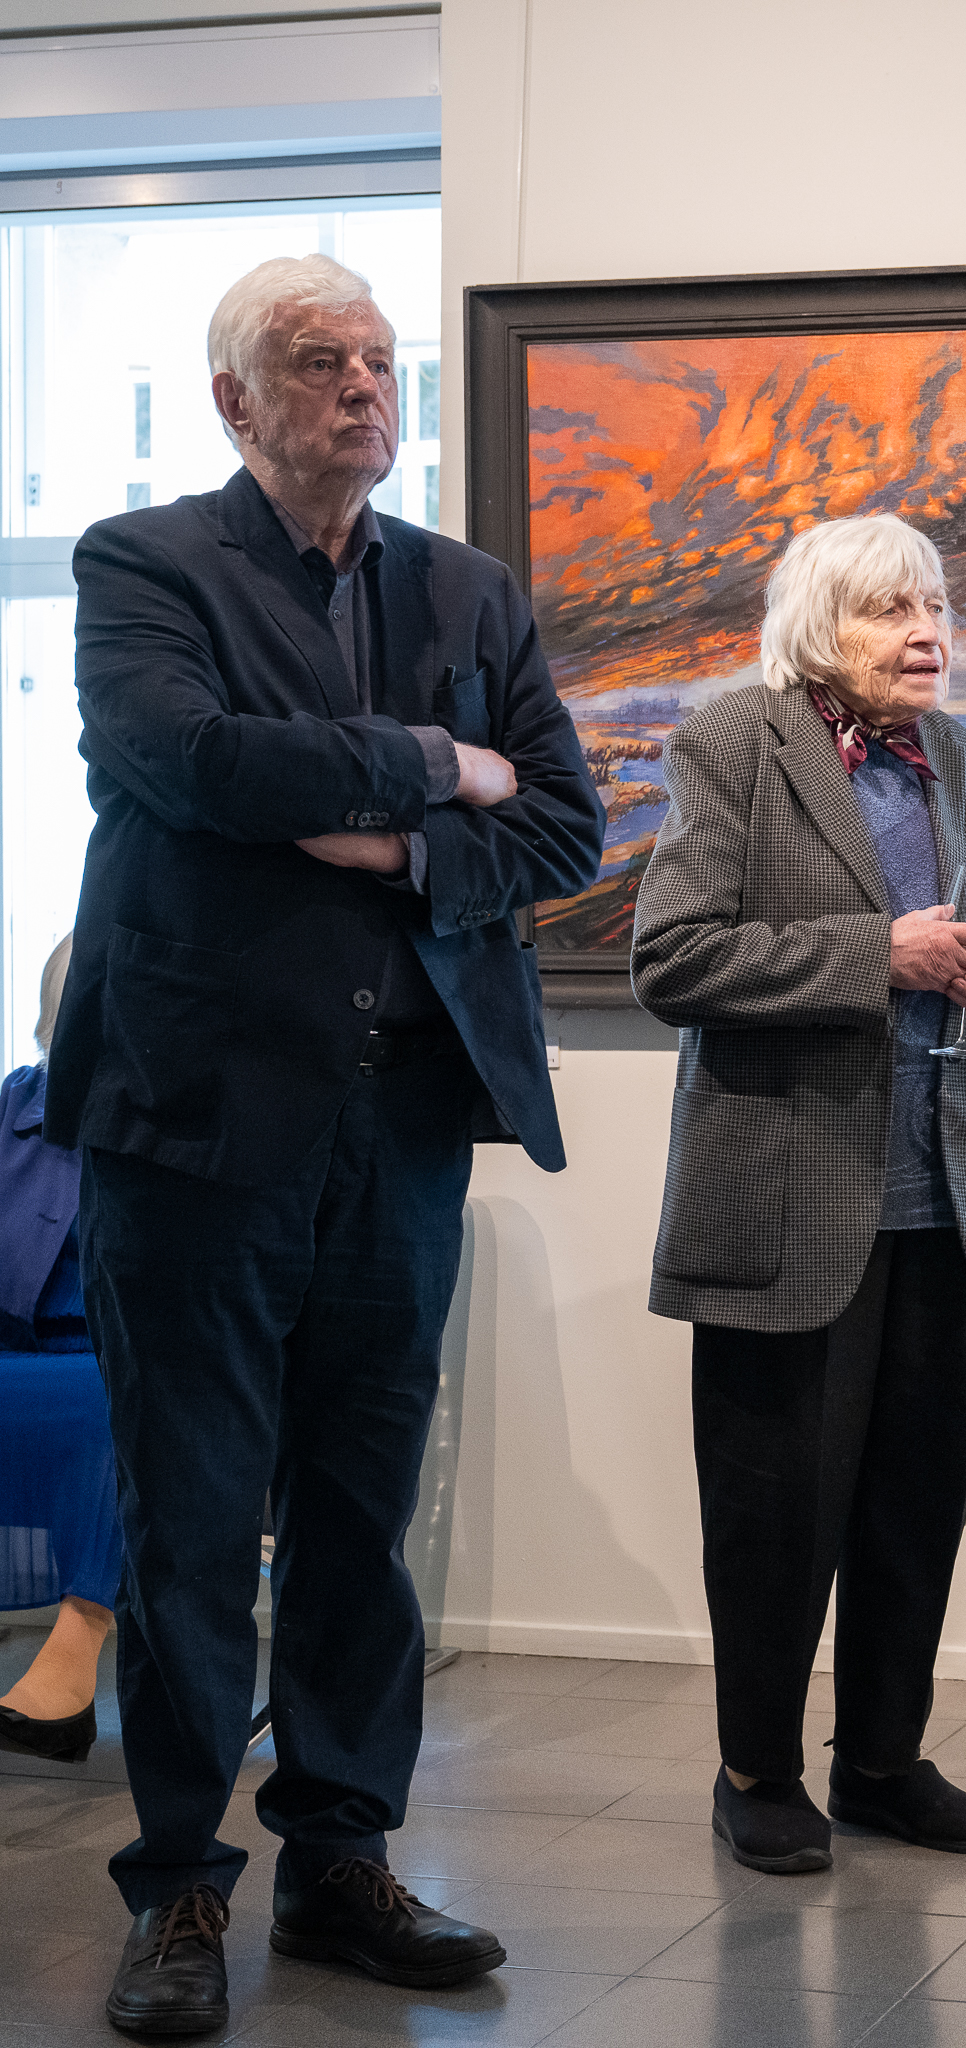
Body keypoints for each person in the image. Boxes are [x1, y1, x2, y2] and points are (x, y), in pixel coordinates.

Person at [46, 254, 607, 2037]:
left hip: (405, 1125)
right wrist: (442, 761)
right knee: (194, 1521)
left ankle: (342, 1856)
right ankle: (177, 1886)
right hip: (194, 1125)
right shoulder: (145, 565)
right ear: (235, 398)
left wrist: (388, 835)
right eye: (318, 361)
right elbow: (193, 762)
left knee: (363, 1520)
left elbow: (568, 826)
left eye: (379, 359)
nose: (364, 387)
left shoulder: (469, 586)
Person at [630, 513, 966, 1875]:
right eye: (891, 609)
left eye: (935, 604)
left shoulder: (959, 758)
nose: (927, 631)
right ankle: (755, 1771)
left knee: (917, 1501)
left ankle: (881, 1761)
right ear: (821, 627)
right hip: (789, 1203)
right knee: (774, 1511)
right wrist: (875, 953)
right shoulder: (734, 744)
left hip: (955, 1198)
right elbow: (672, 958)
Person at [1, 936, 120, 1767]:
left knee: (119, 1403)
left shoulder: (196, 1122)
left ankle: (75, 1653)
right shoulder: (14, 1107)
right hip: (13, 1350)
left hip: (122, 1366)